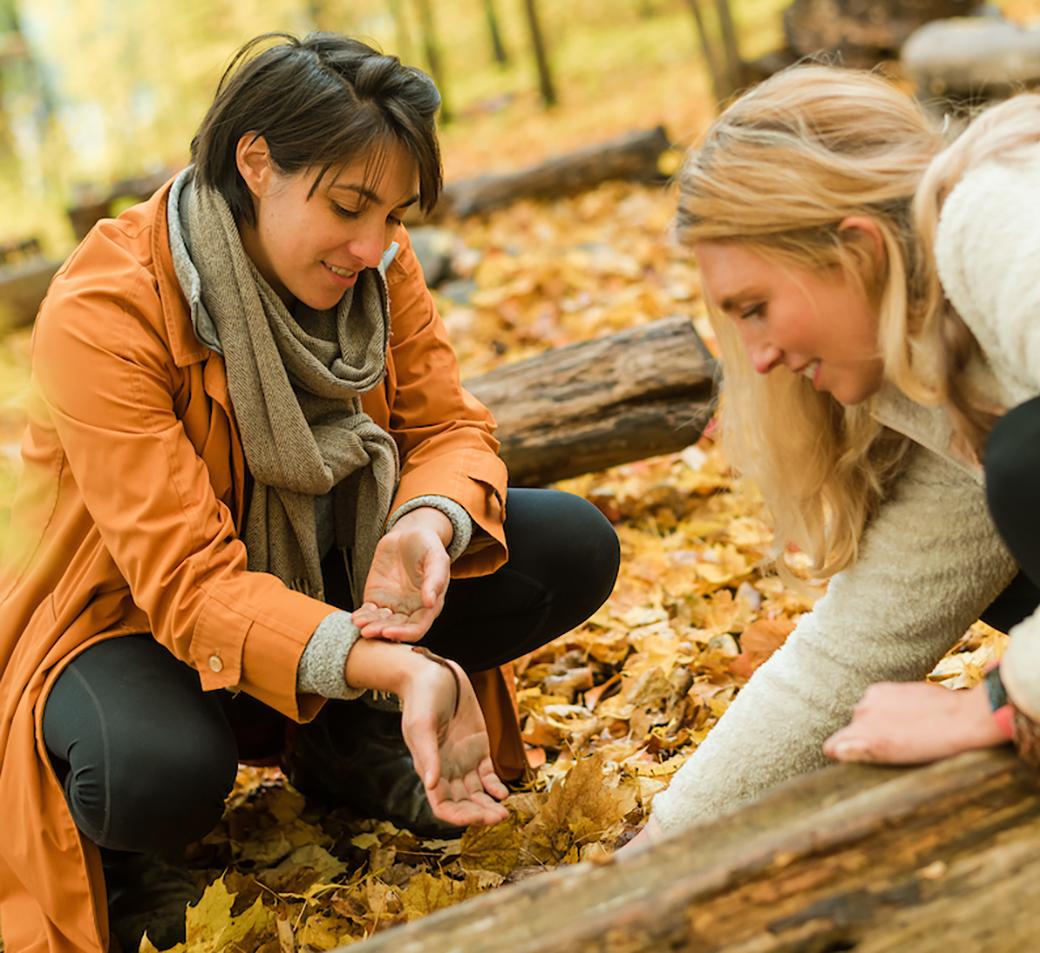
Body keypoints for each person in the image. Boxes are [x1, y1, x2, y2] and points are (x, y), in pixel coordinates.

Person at [0, 33, 620, 953]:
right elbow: (186, 585)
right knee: (154, 771)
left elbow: (448, 427)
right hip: (126, 620)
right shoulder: (106, 308)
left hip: (328, 583)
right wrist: (402, 667)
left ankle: (345, 745)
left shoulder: (380, 263)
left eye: (396, 213)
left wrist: (423, 519)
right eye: (348, 206)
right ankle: (135, 859)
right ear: (256, 161)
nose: (374, 246)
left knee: (570, 546)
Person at [625, 65, 1040, 850]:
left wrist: (990, 702)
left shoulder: (1000, 221)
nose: (758, 357)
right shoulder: (940, 380)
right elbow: (851, 655)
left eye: (757, 308)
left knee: (1024, 465)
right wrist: (648, 856)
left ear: (855, 247)